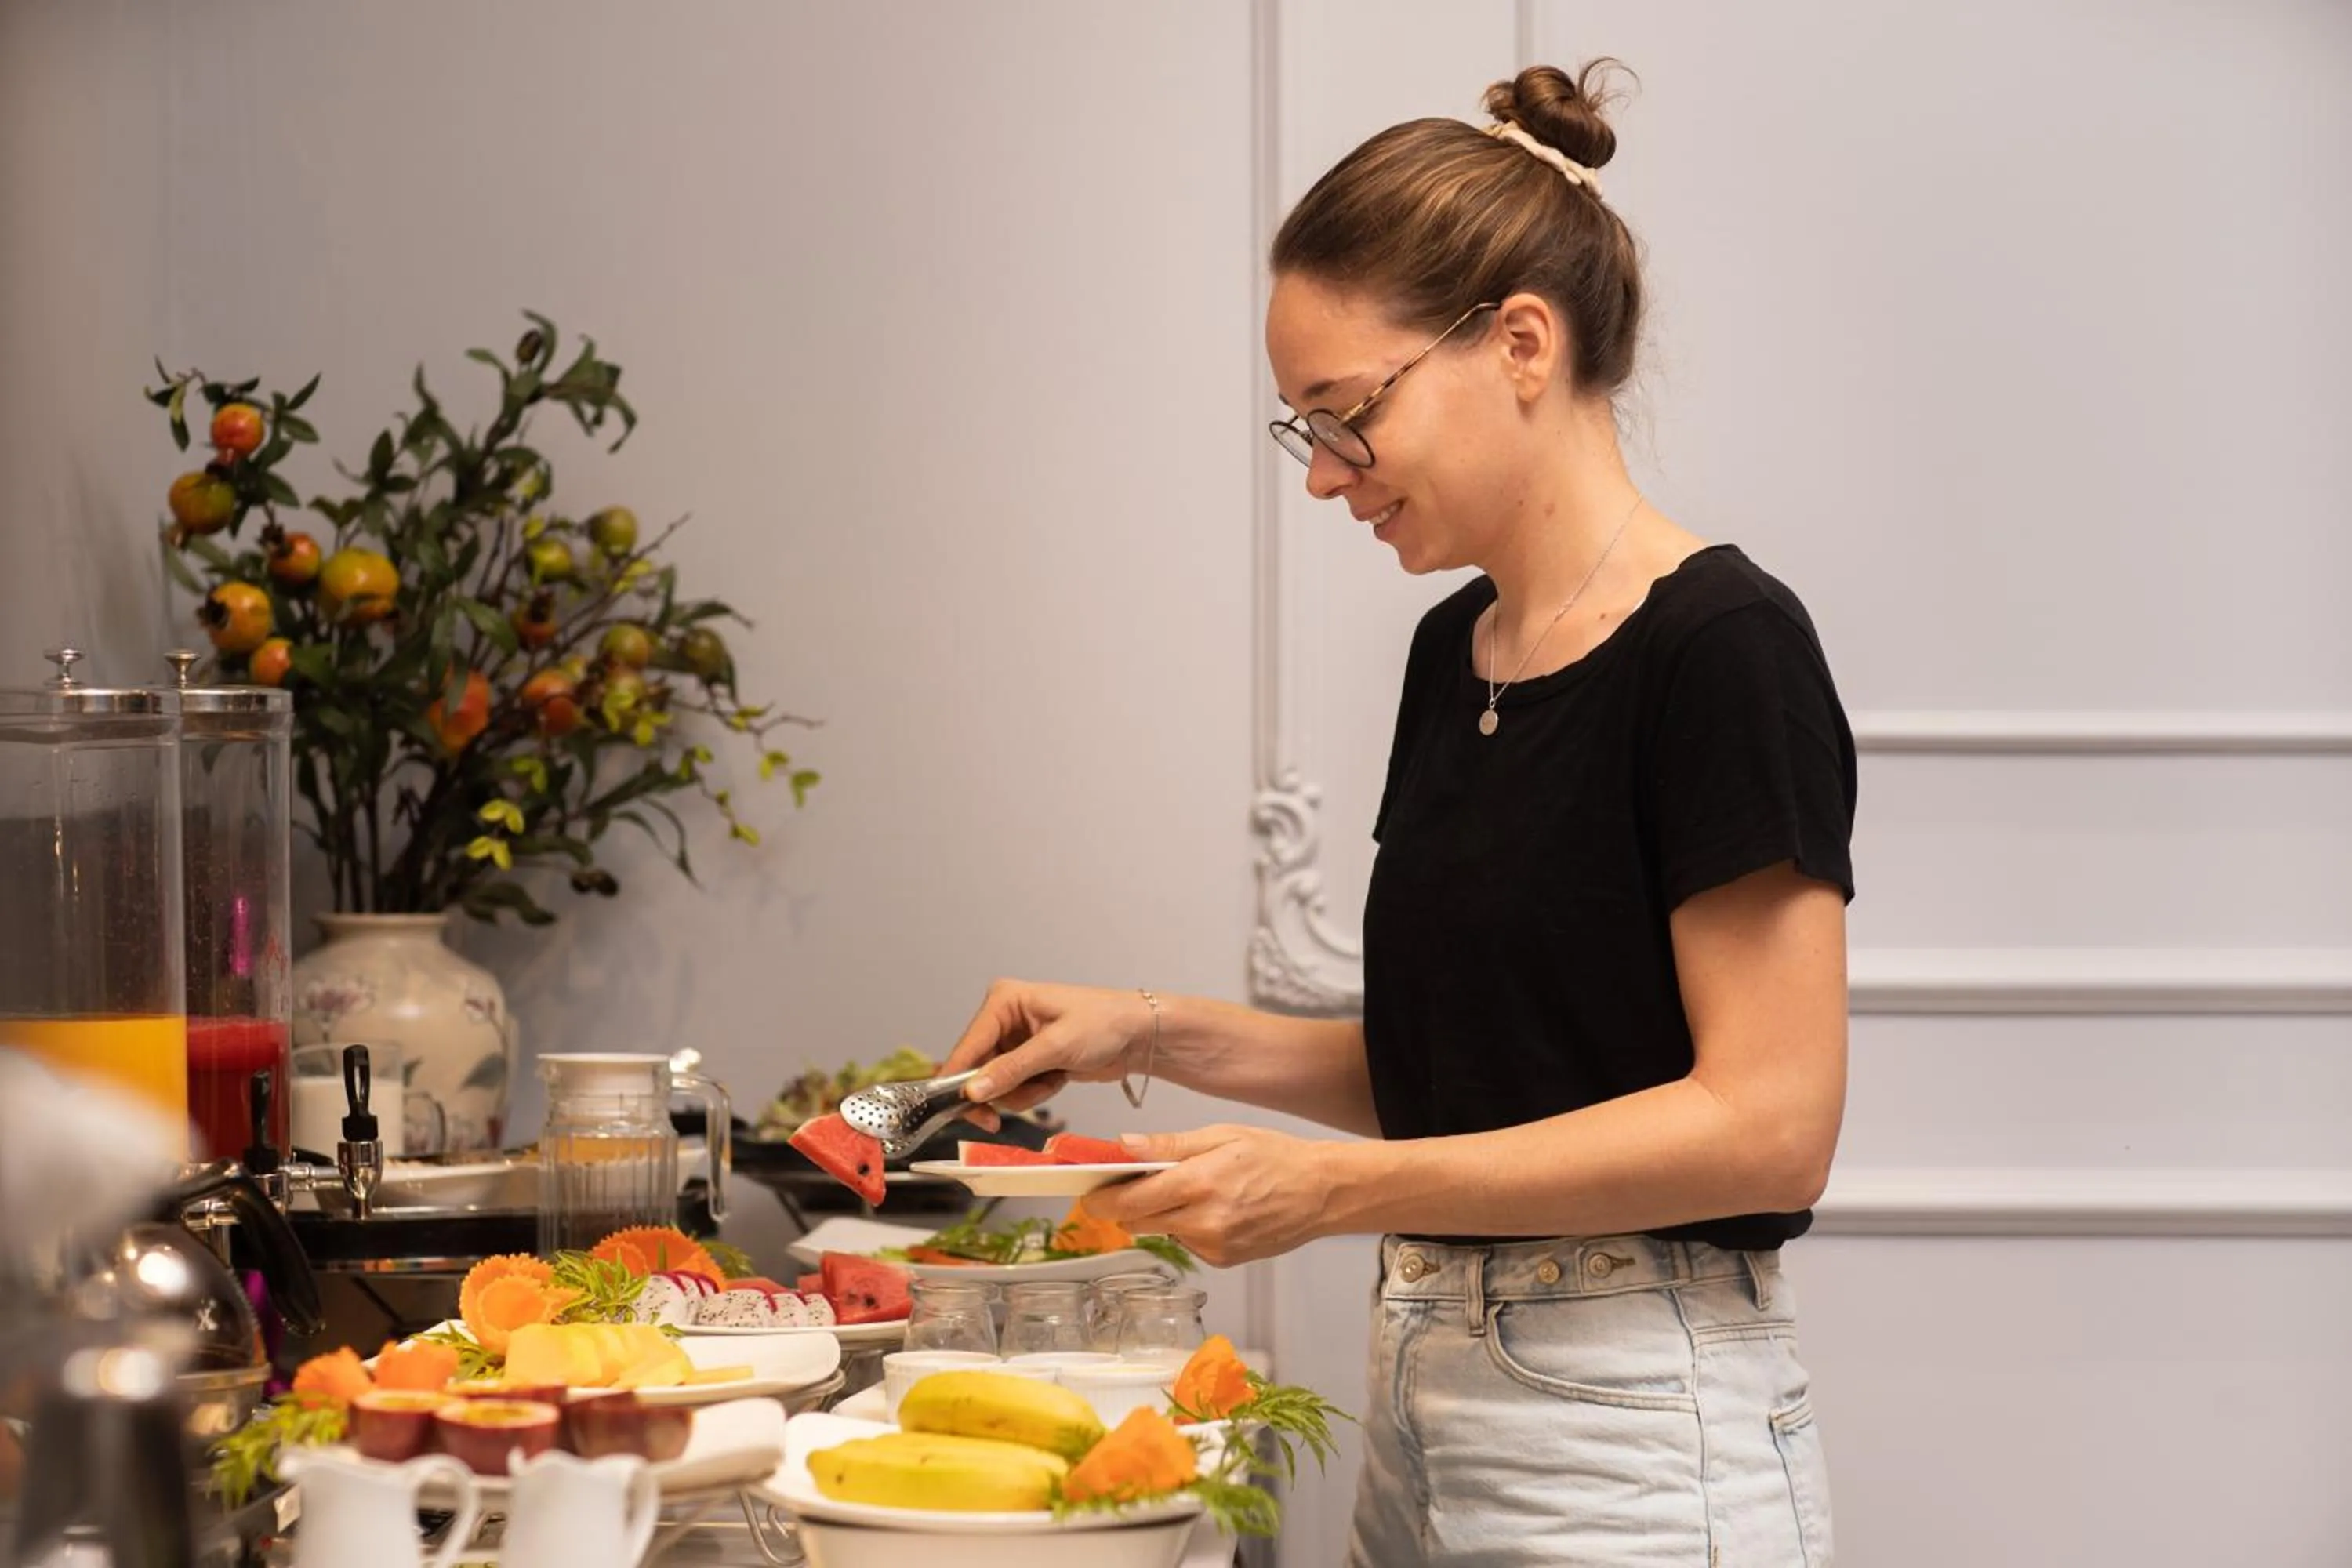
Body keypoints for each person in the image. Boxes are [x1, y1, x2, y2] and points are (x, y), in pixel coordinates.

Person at [945, 60, 1854, 1566]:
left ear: (1518, 343)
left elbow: (1769, 1128)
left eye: (1346, 414)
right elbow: (1474, 1076)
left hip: (1635, 1429)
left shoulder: (1723, 648)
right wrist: (1151, 1033)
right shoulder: (1461, 650)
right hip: (1427, 1395)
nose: (1324, 480)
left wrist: (1342, 1192)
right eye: (1301, 430)